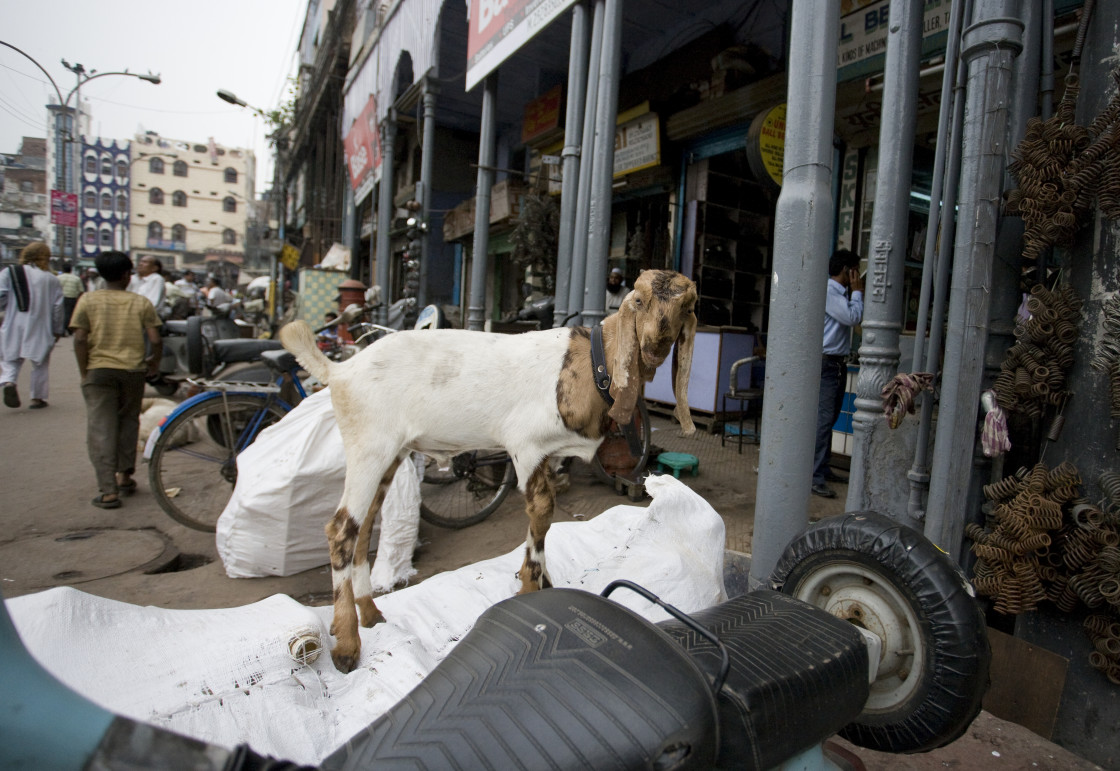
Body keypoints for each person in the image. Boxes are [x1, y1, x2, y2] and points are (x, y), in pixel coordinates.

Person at [70, 250, 163, 509]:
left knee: (101, 427)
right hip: (133, 371)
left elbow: (79, 338)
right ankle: (125, 476)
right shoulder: (140, 302)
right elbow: (155, 339)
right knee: (128, 422)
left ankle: (108, 490)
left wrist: (84, 371)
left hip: (98, 370)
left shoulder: (87, 300)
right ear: (126, 275)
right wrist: (153, 362)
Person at [811, 248, 864, 499]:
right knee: (823, 421)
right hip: (827, 364)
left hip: (835, 363)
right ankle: (815, 476)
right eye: (856, 270)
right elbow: (853, 317)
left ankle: (822, 468)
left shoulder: (837, 293)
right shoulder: (831, 292)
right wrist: (858, 292)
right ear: (847, 271)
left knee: (829, 419)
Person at [0, 241, 65, 409]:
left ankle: (9, 381)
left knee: (10, 358)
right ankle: (37, 398)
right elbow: (58, 308)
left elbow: (1, 296)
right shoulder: (51, 279)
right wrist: (57, 329)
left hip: (13, 322)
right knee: (40, 362)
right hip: (41, 326)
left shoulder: (10, 272)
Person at [56, 262, 85, 333]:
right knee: (69, 314)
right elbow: (81, 290)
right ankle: (68, 329)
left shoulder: (58, 278)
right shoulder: (76, 278)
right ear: (71, 270)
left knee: (60, 314)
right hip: (72, 298)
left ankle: (61, 329)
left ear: (63, 269)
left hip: (61, 297)